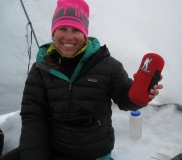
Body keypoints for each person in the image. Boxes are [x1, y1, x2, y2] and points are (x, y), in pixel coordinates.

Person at [0, 0, 163, 159]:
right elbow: (33, 117)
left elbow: (126, 100)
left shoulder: (107, 65)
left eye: (76, 30)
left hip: (97, 153)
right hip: (57, 150)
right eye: (62, 28)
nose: (69, 37)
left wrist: (142, 94)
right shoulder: (40, 69)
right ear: (53, 32)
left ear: (85, 35)